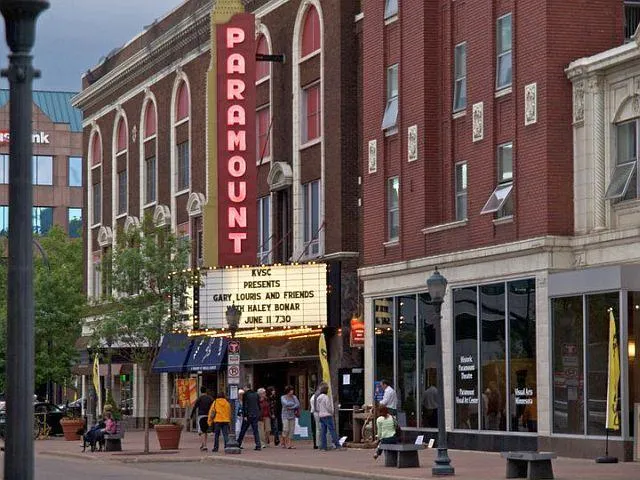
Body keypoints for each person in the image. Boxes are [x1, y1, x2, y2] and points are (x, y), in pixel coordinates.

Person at [315, 382, 342, 451]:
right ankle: (338, 445)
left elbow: (317, 407)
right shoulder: (326, 397)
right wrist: (331, 412)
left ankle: (323, 447)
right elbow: (328, 407)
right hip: (327, 415)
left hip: (321, 415)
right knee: (332, 430)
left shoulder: (318, 398)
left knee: (323, 431)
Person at [237, 384, 262, 450]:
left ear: (246, 387)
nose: (243, 389)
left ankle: (238, 443)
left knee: (243, 430)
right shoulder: (256, 394)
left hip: (248, 415)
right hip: (255, 414)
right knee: (255, 430)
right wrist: (258, 413)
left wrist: (245, 415)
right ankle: (258, 445)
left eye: (244, 388)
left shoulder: (245, 395)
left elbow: (245, 405)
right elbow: (258, 404)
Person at [191, 386, 214, 451]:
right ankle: (204, 444)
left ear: (200, 391)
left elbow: (195, 407)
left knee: (202, 432)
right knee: (205, 431)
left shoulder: (200, 398)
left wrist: (192, 415)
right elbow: (213, 406)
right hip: (208, 416)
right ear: (206, 391)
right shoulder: (210, 398)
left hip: (201, 416)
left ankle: (204, 445)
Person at [280, 385, 300, 449]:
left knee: (291, 430)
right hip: (285, 415)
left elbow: (298, 404)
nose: (292, 391)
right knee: (286, 429)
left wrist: (291, 407)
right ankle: (283, 441)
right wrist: (293, 404)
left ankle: (289, 444)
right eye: (291, 390)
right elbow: (285, 404)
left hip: (292, 415)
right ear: (288, 391)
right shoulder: (283, 397)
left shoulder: (294, 397)